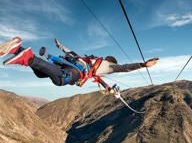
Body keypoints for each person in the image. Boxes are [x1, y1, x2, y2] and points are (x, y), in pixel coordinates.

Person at [0, 37, 159, 90]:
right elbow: (125, 68)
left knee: (42, 73)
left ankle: (17, 49)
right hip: (76, 72)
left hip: (69, 64)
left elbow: (71, 53)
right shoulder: (109, 66)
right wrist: (143, 65)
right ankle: (26, 57)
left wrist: (60, 46)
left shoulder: (90, 59)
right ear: (111, 61)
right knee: (60, 80)